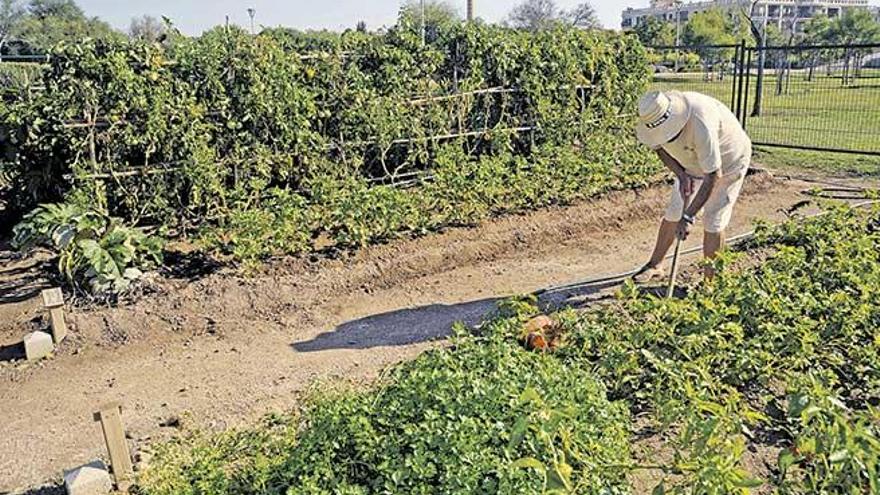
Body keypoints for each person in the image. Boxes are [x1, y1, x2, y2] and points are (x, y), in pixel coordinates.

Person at [633, 90, 752, 282]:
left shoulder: (700, 121)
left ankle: (711, 284)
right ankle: (656, 264)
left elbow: (713, 175)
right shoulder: (653, 117)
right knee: (674, 212)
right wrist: (680, 174)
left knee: (713, 218)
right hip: (691, 165)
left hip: (729, 162)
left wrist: (689, 217)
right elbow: (659, 149)